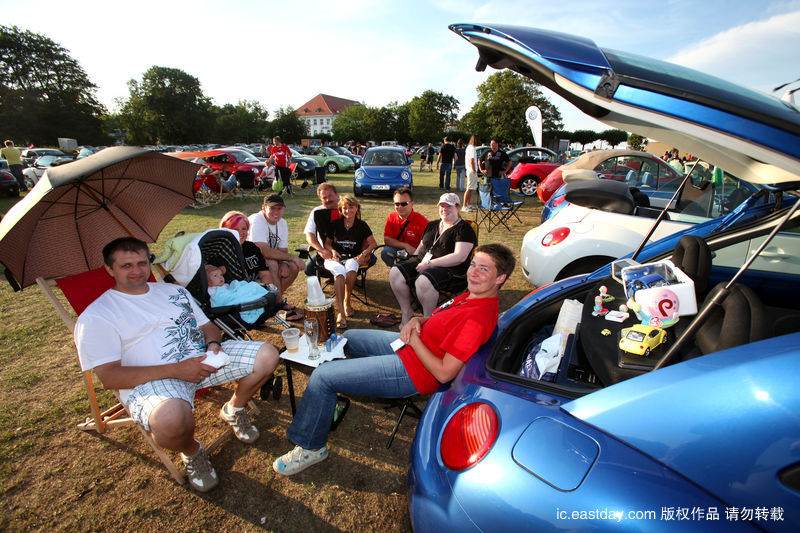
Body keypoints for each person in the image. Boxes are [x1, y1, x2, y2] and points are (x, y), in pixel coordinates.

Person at [272, 243, 515, 476]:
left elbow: (443, 373)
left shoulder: (477, 317)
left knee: (322, 377)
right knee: (350, 338)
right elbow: (439, 320)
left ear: (500, 278)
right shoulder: (472, 295)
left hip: (415, 371)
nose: (474, 272)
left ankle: (311, 446)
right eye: (473, 264)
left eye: (484, 269)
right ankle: (327, 401)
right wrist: (416, 321)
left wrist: (414, 339)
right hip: (409, 346)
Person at [74, 237, 280, 492]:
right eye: (126, 265)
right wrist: (178, 370)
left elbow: (207, 326)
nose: (137, 270)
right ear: (109, 269)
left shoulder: (174, 291)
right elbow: (110, 377)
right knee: (171, 421)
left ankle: (234, 409)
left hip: (203, 360)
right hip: (153, 381)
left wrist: (213, 346)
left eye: (141, 262)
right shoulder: (97, 316)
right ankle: (193, 452)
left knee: (268, 355)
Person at [389, 193, 477, 326]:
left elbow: (460, 257)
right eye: (442, 206)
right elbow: (421, 247)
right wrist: (411, 259)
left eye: (449, 206)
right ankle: (407, 311)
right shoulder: (432, 225)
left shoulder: (464, 229)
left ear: (458, 208)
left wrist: (430, 263)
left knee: (423, 280)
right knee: (396, 272)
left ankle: (428, 320)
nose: (444, 209)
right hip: (423, 262)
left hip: (451, 270)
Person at [322, 194, 377, 328]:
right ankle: (341, 312)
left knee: (352, 265)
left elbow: (373, 244)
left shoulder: (362, 225)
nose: (348, 211)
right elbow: (327, 244)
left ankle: (347, 301)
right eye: (344, 208)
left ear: (356, 208)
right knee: (340, 271)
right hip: (335, 258)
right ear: (341, 210)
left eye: (351, 207)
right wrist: (333, 251)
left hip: (352, 257)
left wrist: (363, 254)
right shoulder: (335, 224)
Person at [248, 195, 306, 321]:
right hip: (250, 263)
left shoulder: (282, 223)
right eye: (272, 208)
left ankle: (272, 302)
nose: (276, 212)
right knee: (272, 263)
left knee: (293, 267)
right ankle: (279, 306)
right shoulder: (257, 220)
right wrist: (293, 258)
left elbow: (282, 250)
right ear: (264, 208)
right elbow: (262, 250)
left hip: (267, 261)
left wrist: (285, 263)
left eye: (279, 208)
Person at [218, 211, 275, 287]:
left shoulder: (252, 248)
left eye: (244, 228)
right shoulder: (219, 253)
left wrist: (266, 291)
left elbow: (265, 274)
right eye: (235, 229)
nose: (240, 233)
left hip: (256, 290)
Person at [206, 265, 271, 325]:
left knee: (246, 286)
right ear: (209, 282)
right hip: (230, 306)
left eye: (221, 275)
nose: (220, 277)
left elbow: (234, 291)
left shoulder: (226, 285)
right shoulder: (212, 290)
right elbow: (220, 299)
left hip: (235, 296)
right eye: (215, 276)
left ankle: (254, 297)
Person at [381, 186, 429, 267]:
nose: (400, 207)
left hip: (416, 254)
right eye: (397, 204)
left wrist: (417, 254)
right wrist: (406, 246)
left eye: (404, 204)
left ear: (412, 203)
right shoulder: (391, 217)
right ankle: (396, 269)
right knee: (386, 252)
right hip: (401, 252)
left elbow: (429, 245)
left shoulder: (422, 221)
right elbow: (387, 240)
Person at [303, 183, 340, 275]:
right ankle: (335, 276)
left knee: (372, 258)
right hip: (326, 251)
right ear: (320, 199)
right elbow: (309, 235)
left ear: (337, 195)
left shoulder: (347, 209)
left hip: (348, 248)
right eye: (324, 198)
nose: (328, 200)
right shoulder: (317, 212)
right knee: (308, 269)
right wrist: (320, 250)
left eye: (330, 196)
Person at [462, 135, 480, 212]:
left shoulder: (469, 147)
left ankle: (468, 204)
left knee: (471, 188)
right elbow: (472, 161)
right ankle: (464, 205)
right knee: (469, 188)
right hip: (471, 171)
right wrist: (474, 170)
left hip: (469, 170)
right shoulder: (472, 148)